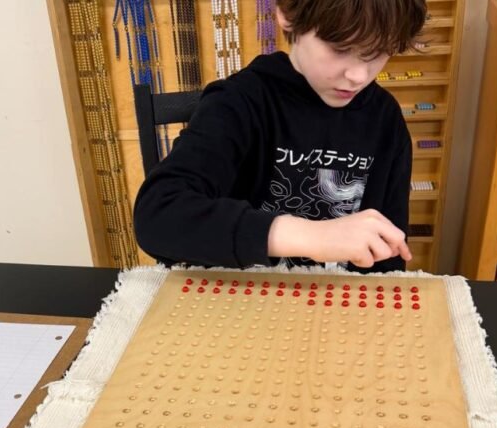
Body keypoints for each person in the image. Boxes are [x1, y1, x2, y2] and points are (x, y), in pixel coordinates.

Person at [134, 0, 427, 272]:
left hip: (338, 301)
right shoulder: (240, 101)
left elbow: (387, 254)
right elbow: (157, 216)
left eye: (379, 51)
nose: (359, 76)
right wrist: (310, 236)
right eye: (340, 47)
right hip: (241, 297)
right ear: (287, 14)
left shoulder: (385, 119)